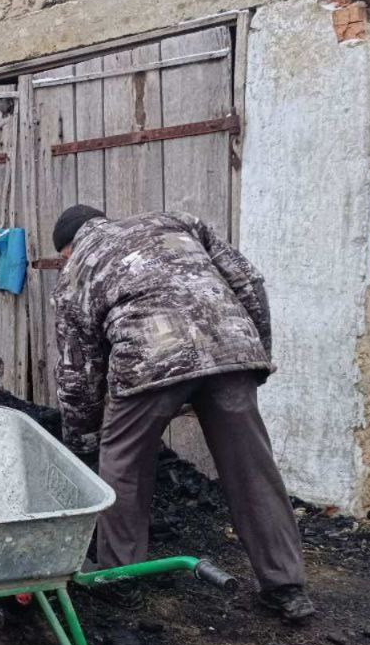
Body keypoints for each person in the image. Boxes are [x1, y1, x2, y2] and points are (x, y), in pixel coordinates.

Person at [51, 204, 314, 623]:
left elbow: (78, 368)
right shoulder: (175, 221)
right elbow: (248, 281)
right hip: (231, 346)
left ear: (67, 248)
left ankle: (121, 577)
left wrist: (83, 439)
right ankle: (285, 585)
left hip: (149, 358)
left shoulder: (76, 270)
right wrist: (257, 354)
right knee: (252, 468)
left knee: (122, 467)